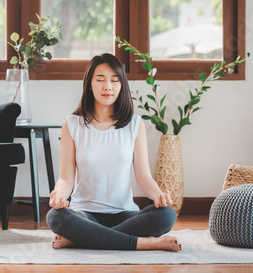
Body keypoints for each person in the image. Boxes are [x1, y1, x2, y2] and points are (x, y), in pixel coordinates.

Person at [46, 53, 181, 252]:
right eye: (100, 80)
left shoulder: (134, 125)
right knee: (55, 217)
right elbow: (65, 178)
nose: (107, 86)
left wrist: (159, 196)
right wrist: (58, 195)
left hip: (124, 213)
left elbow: (143, 177)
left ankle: (82, 239)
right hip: (84, 213)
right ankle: (144, 243)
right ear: (90, 84)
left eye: (114, 80)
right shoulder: (72, 124)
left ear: (121, 85)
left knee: (166, 215)